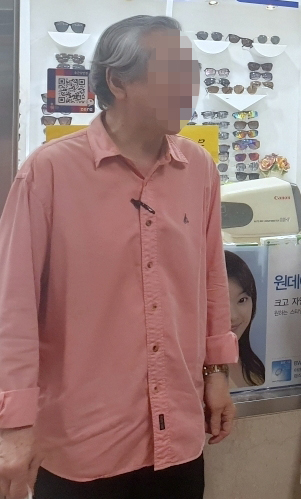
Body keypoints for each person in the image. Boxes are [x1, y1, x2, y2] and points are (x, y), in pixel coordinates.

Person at [0, 16, 238, 499]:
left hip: (179, 436)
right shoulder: (49, 173)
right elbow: (14, 307)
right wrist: (15, 424)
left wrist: (217, 373)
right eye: (174, 71)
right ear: (118, 81)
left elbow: (212, 279)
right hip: (83, 444)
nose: (190, 86)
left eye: (192, 71)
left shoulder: (200, 170)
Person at [225, 251, 265, 388]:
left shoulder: (251, 362)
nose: (233, 316)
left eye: (242, 300)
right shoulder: (197, 370)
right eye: (221, 303)